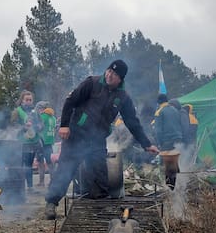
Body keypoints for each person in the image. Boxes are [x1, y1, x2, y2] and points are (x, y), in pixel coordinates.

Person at [44, 60, 159, 220]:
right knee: (66, 169)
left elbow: (132, 122)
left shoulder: (122, 97)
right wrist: (64, 125)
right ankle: (51, 203)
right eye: (109, 71)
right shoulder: (92, 83)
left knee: (100, 174)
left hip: (96, 140)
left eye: (115, 74)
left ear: (121, 79)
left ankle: (99, 207)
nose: (110, 75)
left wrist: (146, 144)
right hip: (76, 135)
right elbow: (70, 101)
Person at [11, 90, 43, 191]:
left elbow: (41, 123)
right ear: (22, 100)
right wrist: (24, 127)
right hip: (23, 142)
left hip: (34, 141)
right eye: (26, 100)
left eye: (30, 100)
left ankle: (30, 187)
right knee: (23, 166)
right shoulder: (17, 111)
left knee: (29, 165)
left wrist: (38, 127)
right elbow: (13, 125)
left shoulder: (35, 111)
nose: (29, 101)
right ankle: (20, 187)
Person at [35, 101, 57, 186]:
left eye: (38, 109)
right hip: (50, 142)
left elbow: (39, 128)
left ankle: (41, 182)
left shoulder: (43, 116)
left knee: (40, 163)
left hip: (42, 141)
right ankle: (53, 181)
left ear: (41, 109)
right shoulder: (53, 117)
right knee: (50, 162)